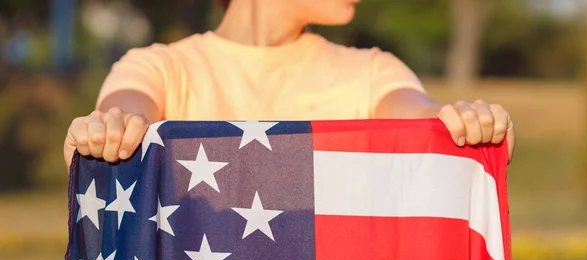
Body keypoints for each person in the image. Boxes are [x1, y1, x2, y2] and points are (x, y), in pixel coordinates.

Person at [63, 0, 516, 168]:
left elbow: (423, 120)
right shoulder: (158, 68)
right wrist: (107, 129)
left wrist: (463, 125)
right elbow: (122, 118)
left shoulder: (375, 71)